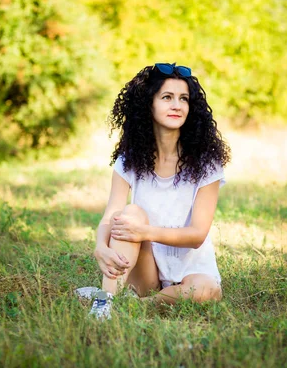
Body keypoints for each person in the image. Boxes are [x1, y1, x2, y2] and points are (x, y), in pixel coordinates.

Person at [76, 63, 231, 319]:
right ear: (149, 104)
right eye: (167, 97)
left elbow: (197, 235)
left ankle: (136, 306)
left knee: (207, 291)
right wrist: (99, 246)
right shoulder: (129, 160)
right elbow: (111, 214)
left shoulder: (206, 164)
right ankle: (105, 301)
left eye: (183, 99)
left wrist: (145, 231)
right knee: (130, 214)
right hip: (145, 268)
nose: (177, 105)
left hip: (192, 270)